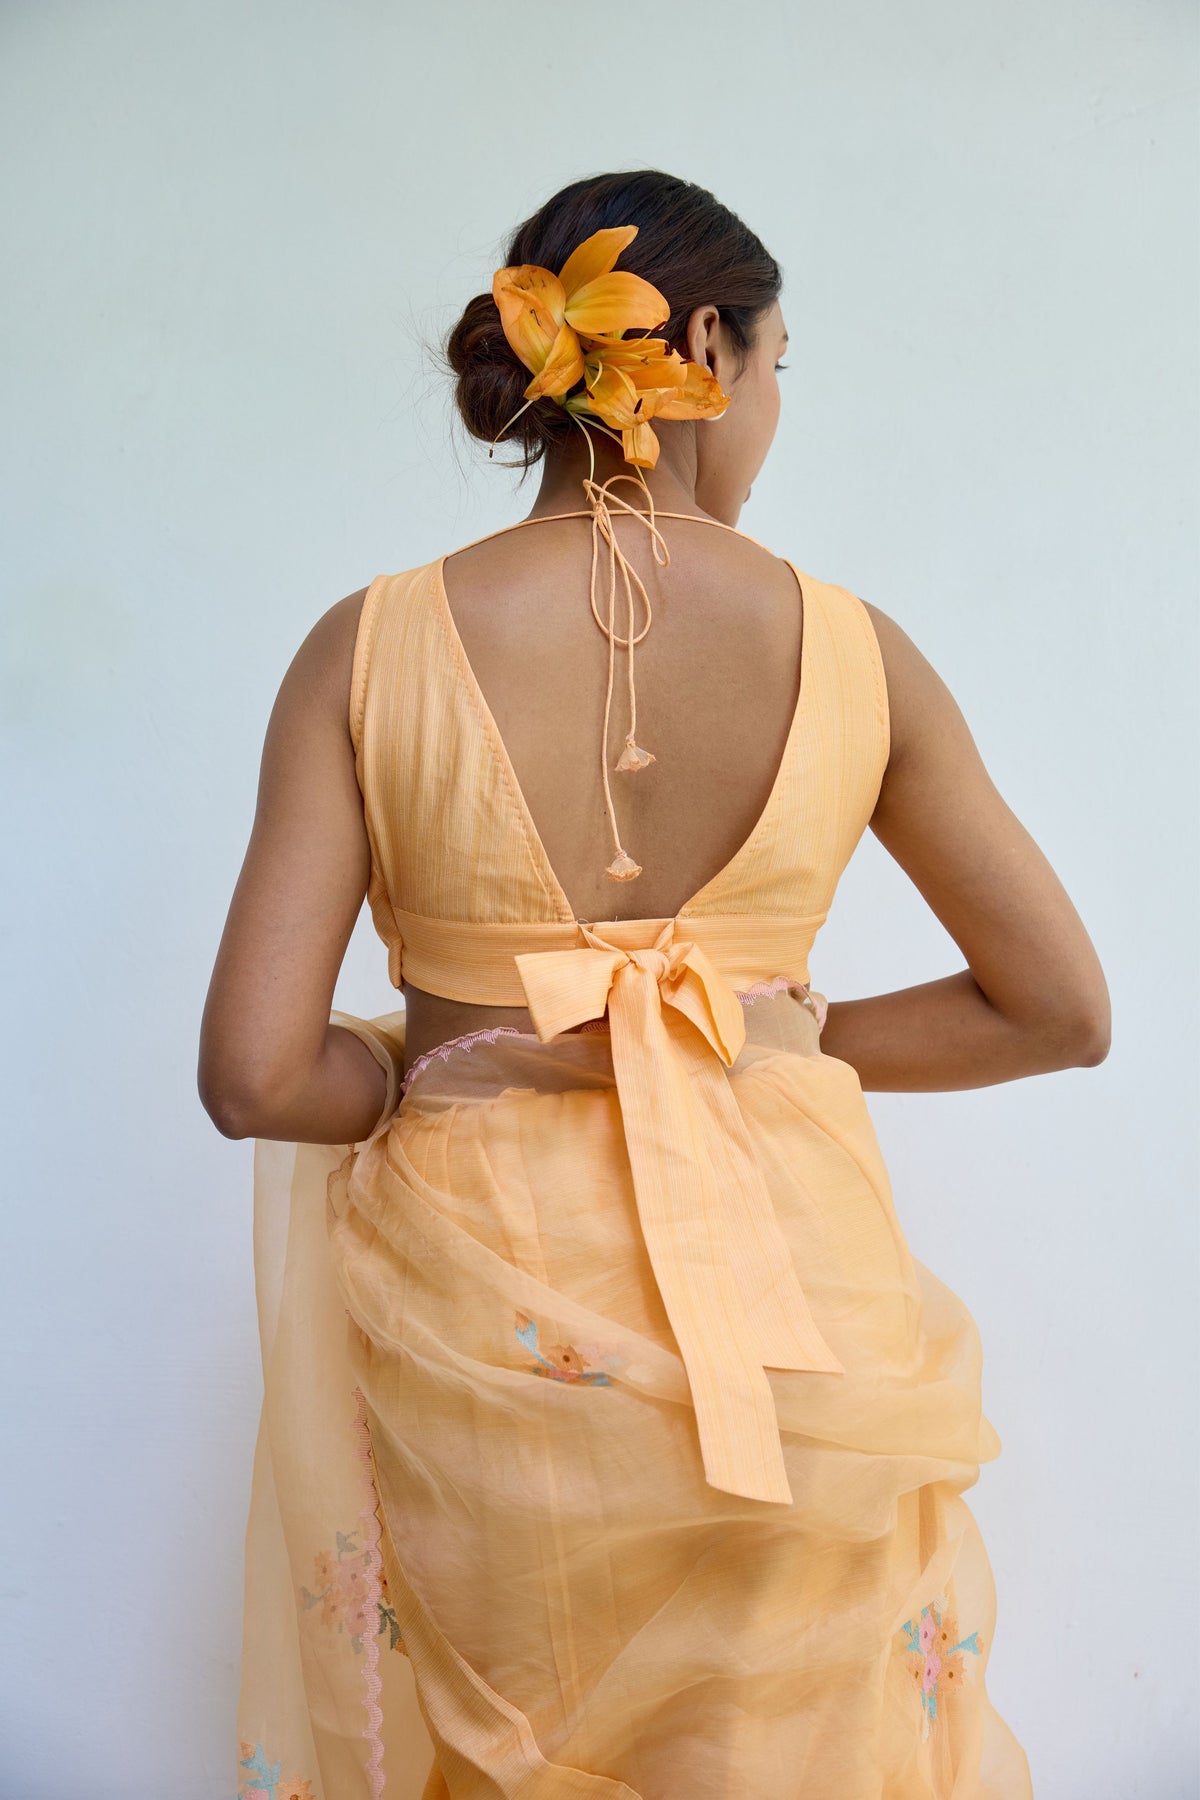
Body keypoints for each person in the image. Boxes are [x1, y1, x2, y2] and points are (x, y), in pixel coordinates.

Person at [200, 169, 1108, 1800]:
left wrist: (431, 1061)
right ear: (703, 343)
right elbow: (1057, 1007)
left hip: (478, 1302)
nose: (774, 410)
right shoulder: (856, 650)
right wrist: (772, 1036)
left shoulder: (370, 645)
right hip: (788, 1291)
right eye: (777, 365)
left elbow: (260, 1078)